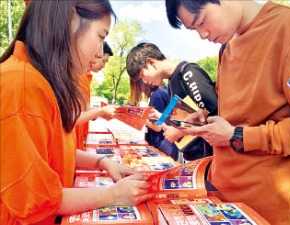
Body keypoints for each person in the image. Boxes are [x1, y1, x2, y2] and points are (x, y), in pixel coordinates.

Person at [0, 1, 152, 225]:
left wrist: (102, 162)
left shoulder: (36, 81)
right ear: (70, 22)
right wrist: (113, 195)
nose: (99, 53)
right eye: (101, 36)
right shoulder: (20, 85)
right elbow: (35, 200)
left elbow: (53, 150)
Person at [165, 0, 290, 224]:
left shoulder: (289, 28)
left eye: (201, 22)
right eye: (194, 29)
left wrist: (237, 135)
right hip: (221, 198)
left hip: (266, 207)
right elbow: (239, 114)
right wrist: (204, 121)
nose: (202, 34)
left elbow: (239, 130)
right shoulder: (226, 48)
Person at [126, 42, 217, 160]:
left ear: (150, 63)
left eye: (142, 76)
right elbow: (175, 119)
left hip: (207, 158)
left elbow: (214, 116)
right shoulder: (170, 84)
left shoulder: (188, 73)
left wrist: (180, 132)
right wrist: (158, 116)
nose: (144, 82)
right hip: (191, 157)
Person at [75, 42, 114, 150]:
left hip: (80, 139)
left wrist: (101, 112)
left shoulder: (86, 77)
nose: (103, 66)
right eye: (103, 60)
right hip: (74, 139)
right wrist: (100, 112)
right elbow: (73, 117)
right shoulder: (78, 76)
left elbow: (84, 109)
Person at [129, 81, 179, 160]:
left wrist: (140, 118)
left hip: (161, 145)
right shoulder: (165, 91)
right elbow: (164, 118)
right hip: (170, 144)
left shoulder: (157, 95)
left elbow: (157, 126)